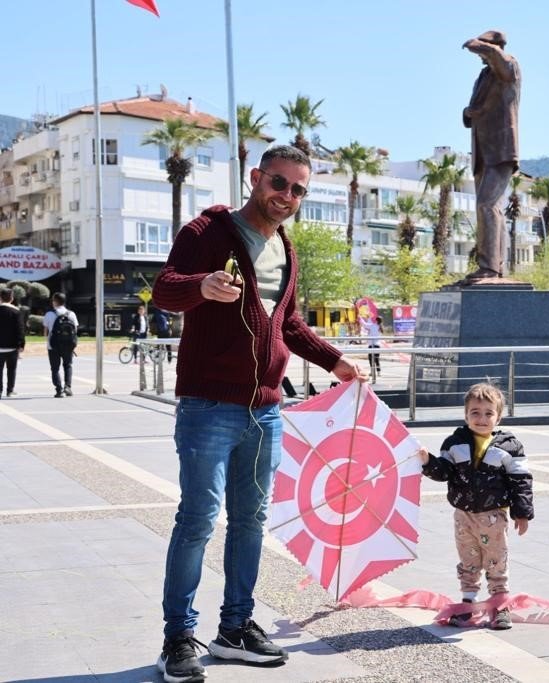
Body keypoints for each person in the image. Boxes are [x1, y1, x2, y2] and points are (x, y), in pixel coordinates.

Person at [151, 145, 367, 683]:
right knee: (198, 520)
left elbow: (287, 323)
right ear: (256, 178)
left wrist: (336, 361)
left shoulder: (285, 248)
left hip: (265, 411)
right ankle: (178, 637)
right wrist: (200, 286)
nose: (287, 196)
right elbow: (163, 290)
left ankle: (235, 628)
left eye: (298, 189)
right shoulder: (208, 232)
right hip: (208, 406)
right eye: (279, 183)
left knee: (251, 522)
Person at [417, 383, 533, 630]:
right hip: (464, 515)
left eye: (488, 413)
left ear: (499, 416)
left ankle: (500, 604)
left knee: (496, 560)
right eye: (475, 412)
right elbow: (444, 472)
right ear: (466, 414)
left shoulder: (510, 447)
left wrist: (522, 513)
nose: (481, 418)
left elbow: (521, 481)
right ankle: (467, 603)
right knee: (468, 559)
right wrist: (428, 462)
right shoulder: (454, 443)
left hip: (494, 515)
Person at [462, 30, 521, 281]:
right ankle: (493, 266)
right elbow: (477, 109)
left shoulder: (509, 66)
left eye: (485, 50)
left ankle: (491, 268)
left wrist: (475, 44)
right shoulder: (484, 76)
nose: (479, 56)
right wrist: (469, 112)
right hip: (483, 151)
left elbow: (498, 58)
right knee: (487, 208)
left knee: (488, 204)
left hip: (501, 149)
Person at [42, 292, 78, 398]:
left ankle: (59, 390)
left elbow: (45, 332)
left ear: (55, 301)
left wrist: (48, 340)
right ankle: (68, 387)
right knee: (68, 365)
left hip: (53, 345)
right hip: (68, 345)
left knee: (55, 368)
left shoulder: (49, 314)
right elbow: (75, 330)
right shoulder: (71, 314)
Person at [0, 288, 25, 398]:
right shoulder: (16, 311)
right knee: (12, 369)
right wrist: (21, 344)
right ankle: (10, 390)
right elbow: (20, 329)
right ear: (12, 298)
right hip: (12, 347)